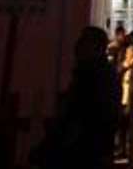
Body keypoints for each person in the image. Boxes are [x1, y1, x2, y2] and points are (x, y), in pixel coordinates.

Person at [31, 26, 119, 169]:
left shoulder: (93, 75)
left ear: (95, 47)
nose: (78, 46)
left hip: (83, 149)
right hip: (87, 147)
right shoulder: (93, 73)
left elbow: (81, 114)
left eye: (84, 42)